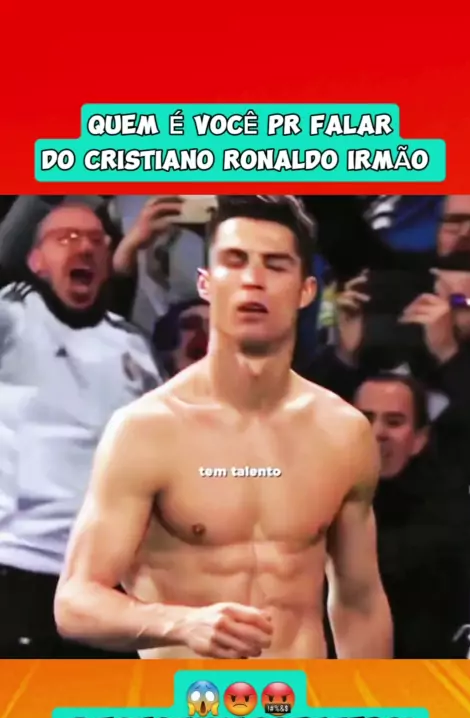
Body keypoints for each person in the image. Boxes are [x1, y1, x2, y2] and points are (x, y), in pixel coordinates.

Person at [55, 195, 392, 660]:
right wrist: (181, 623)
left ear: (306, 290)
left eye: (275, 265)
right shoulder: (146, 430)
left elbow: (359, 602)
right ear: (206, 283)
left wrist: (369, 699)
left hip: (301, 699)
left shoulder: (343, 432)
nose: (253, 279)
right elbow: (75, 601)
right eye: (235, 261)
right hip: (185, 701)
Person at [0, 203, 162, 658]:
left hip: (109, 584)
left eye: (95, 240)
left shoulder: (135, 346)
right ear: (35, 260)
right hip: (20, 568)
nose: (84, 248)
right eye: (66, 238)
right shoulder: (13, 316)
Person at [355, 374, 470, 658]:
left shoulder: (452, 515)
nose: (378, 432)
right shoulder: (320, 501)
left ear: (420, 439)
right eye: (365, 419)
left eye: (394, 422)